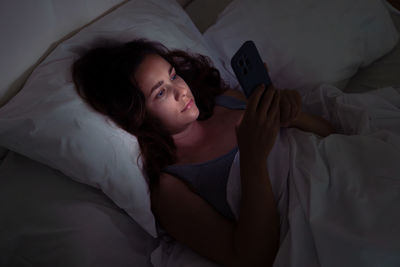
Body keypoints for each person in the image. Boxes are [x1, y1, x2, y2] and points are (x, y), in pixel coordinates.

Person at [72, 38, 334, 267]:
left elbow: (330, 136)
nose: (180, 91)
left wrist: (293, 115)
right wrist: (252, 161)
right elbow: (254, 260)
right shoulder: (170, 186)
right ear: (138, 116)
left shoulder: (225, 100)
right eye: (161, 92)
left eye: (173, 75)